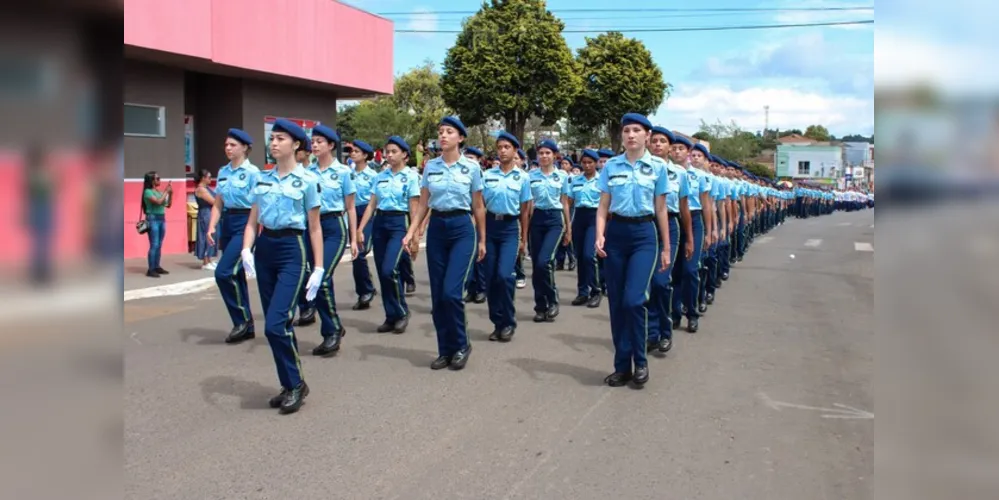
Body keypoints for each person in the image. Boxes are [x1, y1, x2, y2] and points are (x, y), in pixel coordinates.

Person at [239, 118, 324, 414]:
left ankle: (297, 383)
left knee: (276, 323)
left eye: (280, 139)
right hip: (265, 249)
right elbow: (252, 220)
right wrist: (246, 249)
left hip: (292, 249)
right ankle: (289, 384)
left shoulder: (309, 181)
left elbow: (315, 228)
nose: (273, 143)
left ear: (296, 144)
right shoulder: (262, 179)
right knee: (276, 326)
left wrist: (319, 267)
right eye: (272, 138)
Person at [402, 116, 486, 370]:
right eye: (441, 132)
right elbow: (424, 203)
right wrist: (412, 231)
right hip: (438, 228)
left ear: (460, 138)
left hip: (462, 229)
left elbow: (479, 206)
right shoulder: (430, 167)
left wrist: (482, 239)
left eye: (449, 132)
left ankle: (461, 344)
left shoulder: (471, 168)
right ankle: (445, 349)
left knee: (451, 292)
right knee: (438, 295)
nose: (443, 136)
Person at [595, 113, 671, 388]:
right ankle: (622, 366)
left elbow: (661, 208)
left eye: (636, 130)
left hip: (644, 236)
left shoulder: (658, 168)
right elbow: (603, 205)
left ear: (646, 136)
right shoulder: (611, 166)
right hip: (616, 235)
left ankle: (641, 361)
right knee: (616, 303)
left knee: (634, 300)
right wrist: (599, 235)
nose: (630, 135)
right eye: (626, 130)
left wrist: (666, 247)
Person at [357, 135, 419, 334]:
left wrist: (414, 234)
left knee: (389, 270)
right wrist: (360, 228)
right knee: (383, 272)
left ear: (405, 155)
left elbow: (414, 208)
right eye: (387, 151)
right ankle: (390, 315)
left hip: (399, 223)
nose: (389, 155)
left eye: (394, 152)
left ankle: (402, 312)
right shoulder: (380, 177)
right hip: (380, 223)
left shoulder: (410, 177)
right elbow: (371, 204)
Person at [307, 124, 359, 356]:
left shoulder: (344, 172)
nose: (315, 145)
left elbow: (351, 207)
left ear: (331, 145)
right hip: (312, 227)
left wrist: (354, 238)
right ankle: (334, 325)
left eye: (320, 141)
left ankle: (331, 331)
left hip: (334, 227)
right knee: (314, 279)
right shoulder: (307, 172)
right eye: (313, 141)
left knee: (322, 276)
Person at [207, 129, 260, 343]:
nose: (228, 148)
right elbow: (218, 201)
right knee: (236, 276)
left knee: (223, 272)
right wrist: (211, 226)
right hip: (228, 223)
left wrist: (254, 228)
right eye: (226, 145)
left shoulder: (254, 173)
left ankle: (242, 320)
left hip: (246, 223)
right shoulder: (223, 171)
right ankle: (245, 325)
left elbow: (257, 205)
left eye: (233, 145)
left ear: (245, 147)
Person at [480, 131, 532, 342]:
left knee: (503, 275)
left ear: (515, 151)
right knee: (491, 278)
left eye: (506, 147)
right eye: (500, 147)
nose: (502, 151)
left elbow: (525, 211)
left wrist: (523, 239)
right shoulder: (488, 175)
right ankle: (497, 322)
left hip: (510, 228)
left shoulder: (523, 177)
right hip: (490, 226)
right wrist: (481, 237)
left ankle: (508, 321)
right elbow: (480, 206)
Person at [645, 126, 688, 354]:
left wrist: (690, 239)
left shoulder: (679, 174)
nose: (658, 145)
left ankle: (665, 330)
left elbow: (684, 208)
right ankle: (652, 333)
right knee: (649, 284)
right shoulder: (643, 168)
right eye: (655, 141)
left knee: (661, 282)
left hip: (670, 225)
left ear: (670, 148)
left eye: (663, 141)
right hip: (646, 224)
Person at [528, 139, 572, 323]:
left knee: (544, 262)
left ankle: (553, 299)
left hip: (554, 220)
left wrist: (568, 229)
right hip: (536, 219)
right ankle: (540, 306)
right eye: (541, 153)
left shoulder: (561, 176)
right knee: (537, 266)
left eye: (548, 153)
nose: (544, 156)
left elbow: (565, 203)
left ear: (555, 155)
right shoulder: (530, 176)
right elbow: (528, 204)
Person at [669, 135, 706, 333]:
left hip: (694, 220)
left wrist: (713, 230)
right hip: (674, 220)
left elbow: (707, 204)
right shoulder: (666, 173)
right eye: (673, 148)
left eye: (681, 149)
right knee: (674, 272)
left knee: (691, 270)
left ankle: (692, 312)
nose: (677, 152)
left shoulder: (699, 176)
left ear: (688, 153)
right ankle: (675, 313)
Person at [568, 149, 602, 308]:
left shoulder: (602, 180)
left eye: (590, 162)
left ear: (596, 163)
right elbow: (569, 202)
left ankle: (596, 290)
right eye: (584, 163)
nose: (587, 165)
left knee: (589, 256)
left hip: (595, 218)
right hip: (579, 217)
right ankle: (582, 292)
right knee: (580, 256)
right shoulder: (576, 180)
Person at [348, 140, 378, 310]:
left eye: (356, 151)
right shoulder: (348, 173)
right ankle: (365, 289)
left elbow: (374, 201)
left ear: (365, 155)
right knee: (355, 254)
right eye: (352, 151)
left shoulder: (373, 175)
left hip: (367, 214)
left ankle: (366, 290)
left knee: (360, 251)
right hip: (352, 214)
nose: (352, 154)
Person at [462, 146, 487, 304]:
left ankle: (482, 288)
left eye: (472, 158)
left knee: (479, 256)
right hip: (465, 219)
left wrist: (475, 219)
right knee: (468, 259)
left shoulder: (483, 176)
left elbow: (482, 203)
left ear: (479, 160)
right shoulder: (464, 173)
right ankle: (471, 289)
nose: (469, 161)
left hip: (478, 219)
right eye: (467, 158)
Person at [141, 171, 172, 278]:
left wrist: (170, 193)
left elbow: (168, 204)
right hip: (152, 218)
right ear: (152, 180)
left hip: (161, 218)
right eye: (157, 178)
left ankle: (157, 266)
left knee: (159, 244)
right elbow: (158, 202)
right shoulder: (148, 192)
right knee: (154, 244)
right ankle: (151, 269)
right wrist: (165, 192)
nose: (160, 180)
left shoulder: (158, 192)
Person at [193, 169, 218, 270]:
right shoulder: (201, 189)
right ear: (203, 178)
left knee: (212, 235)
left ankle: (209, 259)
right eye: (209, 177)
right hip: (205, 214)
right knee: (206, 236)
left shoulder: (206, 188)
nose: (210, 179)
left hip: (210, 213)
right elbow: (213, 201)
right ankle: (205, 261)